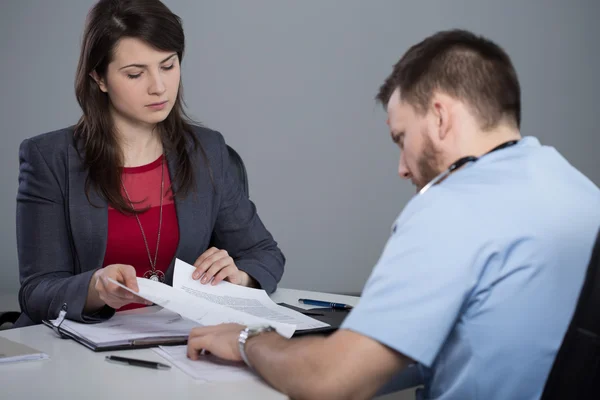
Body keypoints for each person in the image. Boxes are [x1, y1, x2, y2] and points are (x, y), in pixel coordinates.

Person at [185, 29, 600, 400]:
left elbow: (331, 383)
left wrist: (248, 339)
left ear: (439, 116)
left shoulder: (450, 208)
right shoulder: (580, 192)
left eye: (402, 138)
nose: (402, 167)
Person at [15, 0, 285, 327]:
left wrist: (239, 278)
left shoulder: (207, 150)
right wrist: (95, 289)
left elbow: (265, 255)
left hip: (175, 342)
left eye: (168, 66)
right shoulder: (50, 158)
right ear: (99, 78)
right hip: (79, 342)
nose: (158, 87)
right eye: (135, 73)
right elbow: (37, 291)